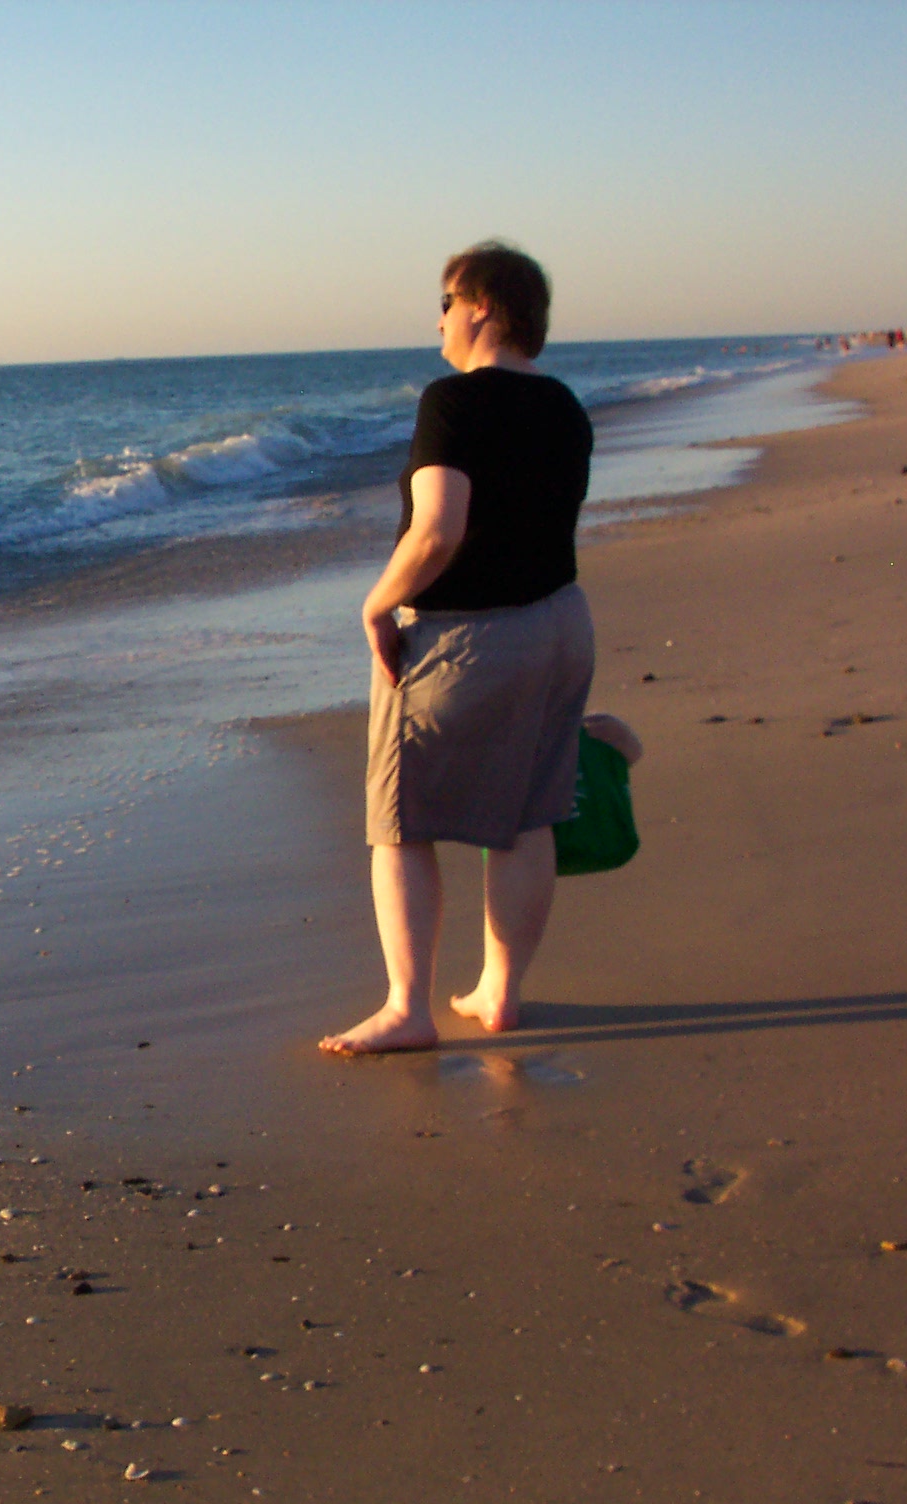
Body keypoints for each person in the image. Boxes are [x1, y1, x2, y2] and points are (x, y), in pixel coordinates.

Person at [319, 241, 596, 1055]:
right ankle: (500, 994)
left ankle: (409, 1007)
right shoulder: (566, 405)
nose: (437, 319)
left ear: (481, 305)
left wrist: (378, 601)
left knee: (399, 822)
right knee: (528, 813)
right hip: (561, 623)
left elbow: (440, 527)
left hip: (469, 635)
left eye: (444, 301)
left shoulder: (453, 401)